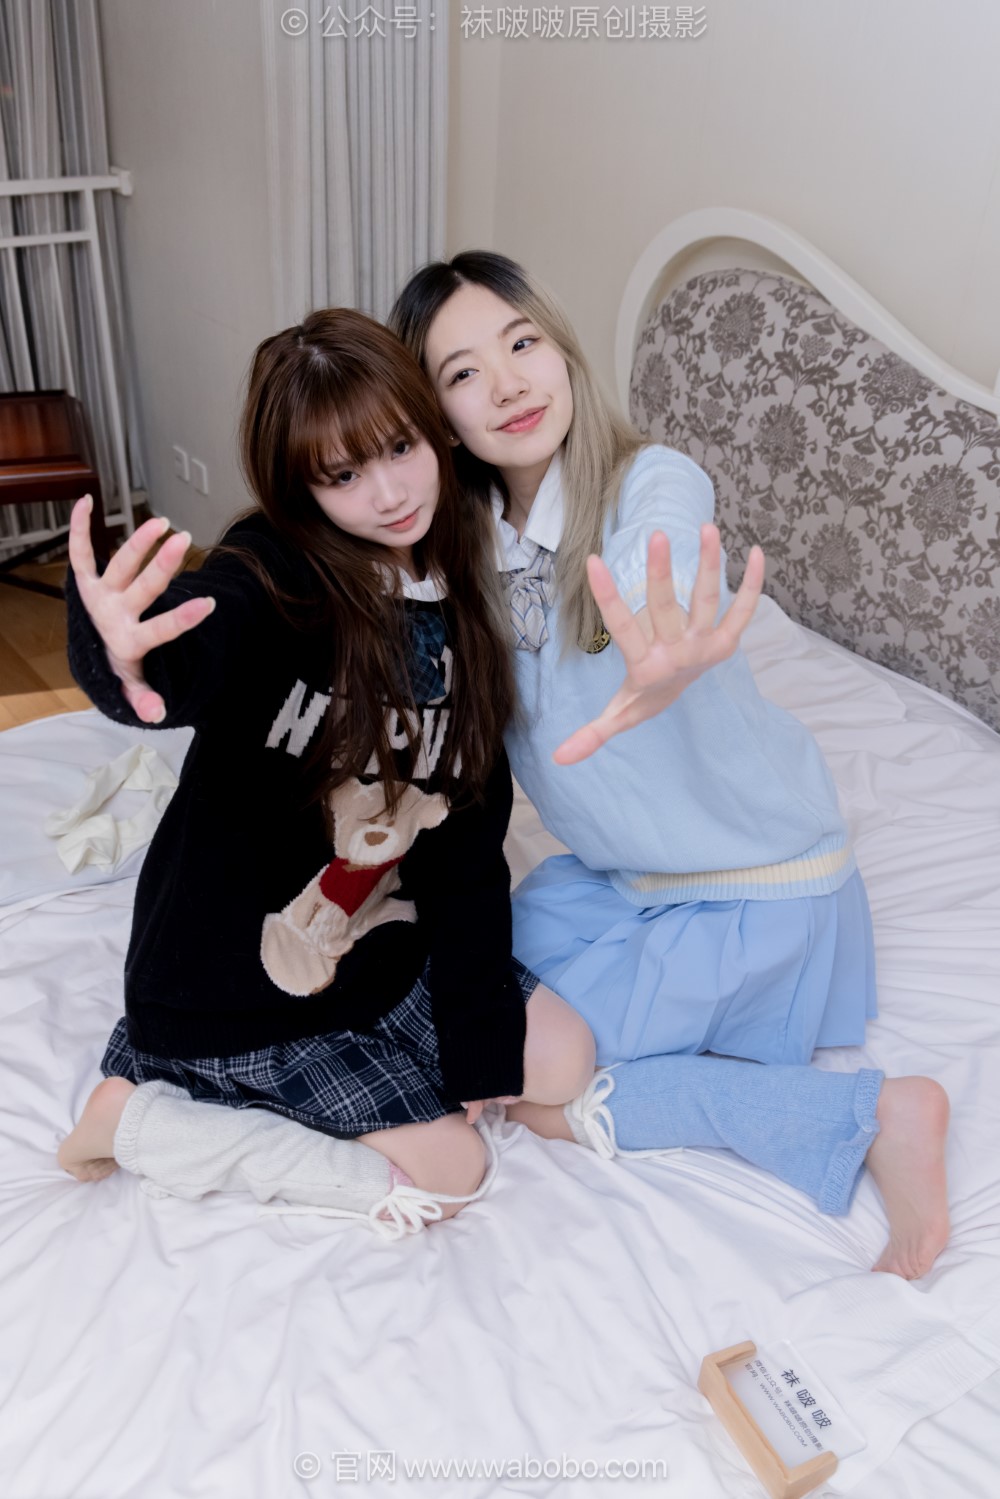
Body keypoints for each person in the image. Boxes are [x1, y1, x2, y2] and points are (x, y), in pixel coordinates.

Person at [385, 251, 950, 1278]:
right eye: (464, 372)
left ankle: (869, 1115)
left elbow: (666, 550)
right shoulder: (466, 555)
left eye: (522, 342)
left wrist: (664, 636)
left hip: (759, 896)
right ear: (439, 417)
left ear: (561, 349)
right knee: (446, 981)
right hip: (626, 883)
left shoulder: (650, 480)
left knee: (531, 1084)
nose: (507, 384)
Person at [56, 308, 597, 1235]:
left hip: (372, 940)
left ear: (433, 430)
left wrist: (477, 1047)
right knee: (453, 1173)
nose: (387, 495)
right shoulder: (278, 576)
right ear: (300, 489)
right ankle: (139, 1117)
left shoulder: (461, 600)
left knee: (564, 1059)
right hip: (229, 976)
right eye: (342, 476)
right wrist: (121, 651)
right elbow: (198, 638)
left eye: (401, 448)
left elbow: (465, 841)